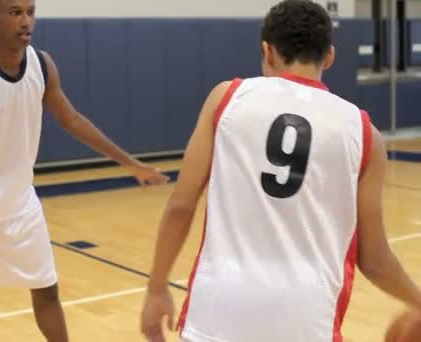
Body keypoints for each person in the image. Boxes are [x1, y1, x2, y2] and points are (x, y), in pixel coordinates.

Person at [141, 1, 421, 341]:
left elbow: (180, 206)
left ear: (267, 51)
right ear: (329, 57)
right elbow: (374, 259)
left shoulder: (226, 99)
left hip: (219, 309)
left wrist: (157, 289)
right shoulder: (364, 133)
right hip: (305, 319)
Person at [0, 0, 169, 341]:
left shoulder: (42, 65)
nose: (26, 20)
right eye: (15, 12)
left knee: (47, 292)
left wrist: (130, 164)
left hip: (21, 207)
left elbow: (72, 119)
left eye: (30, 11)